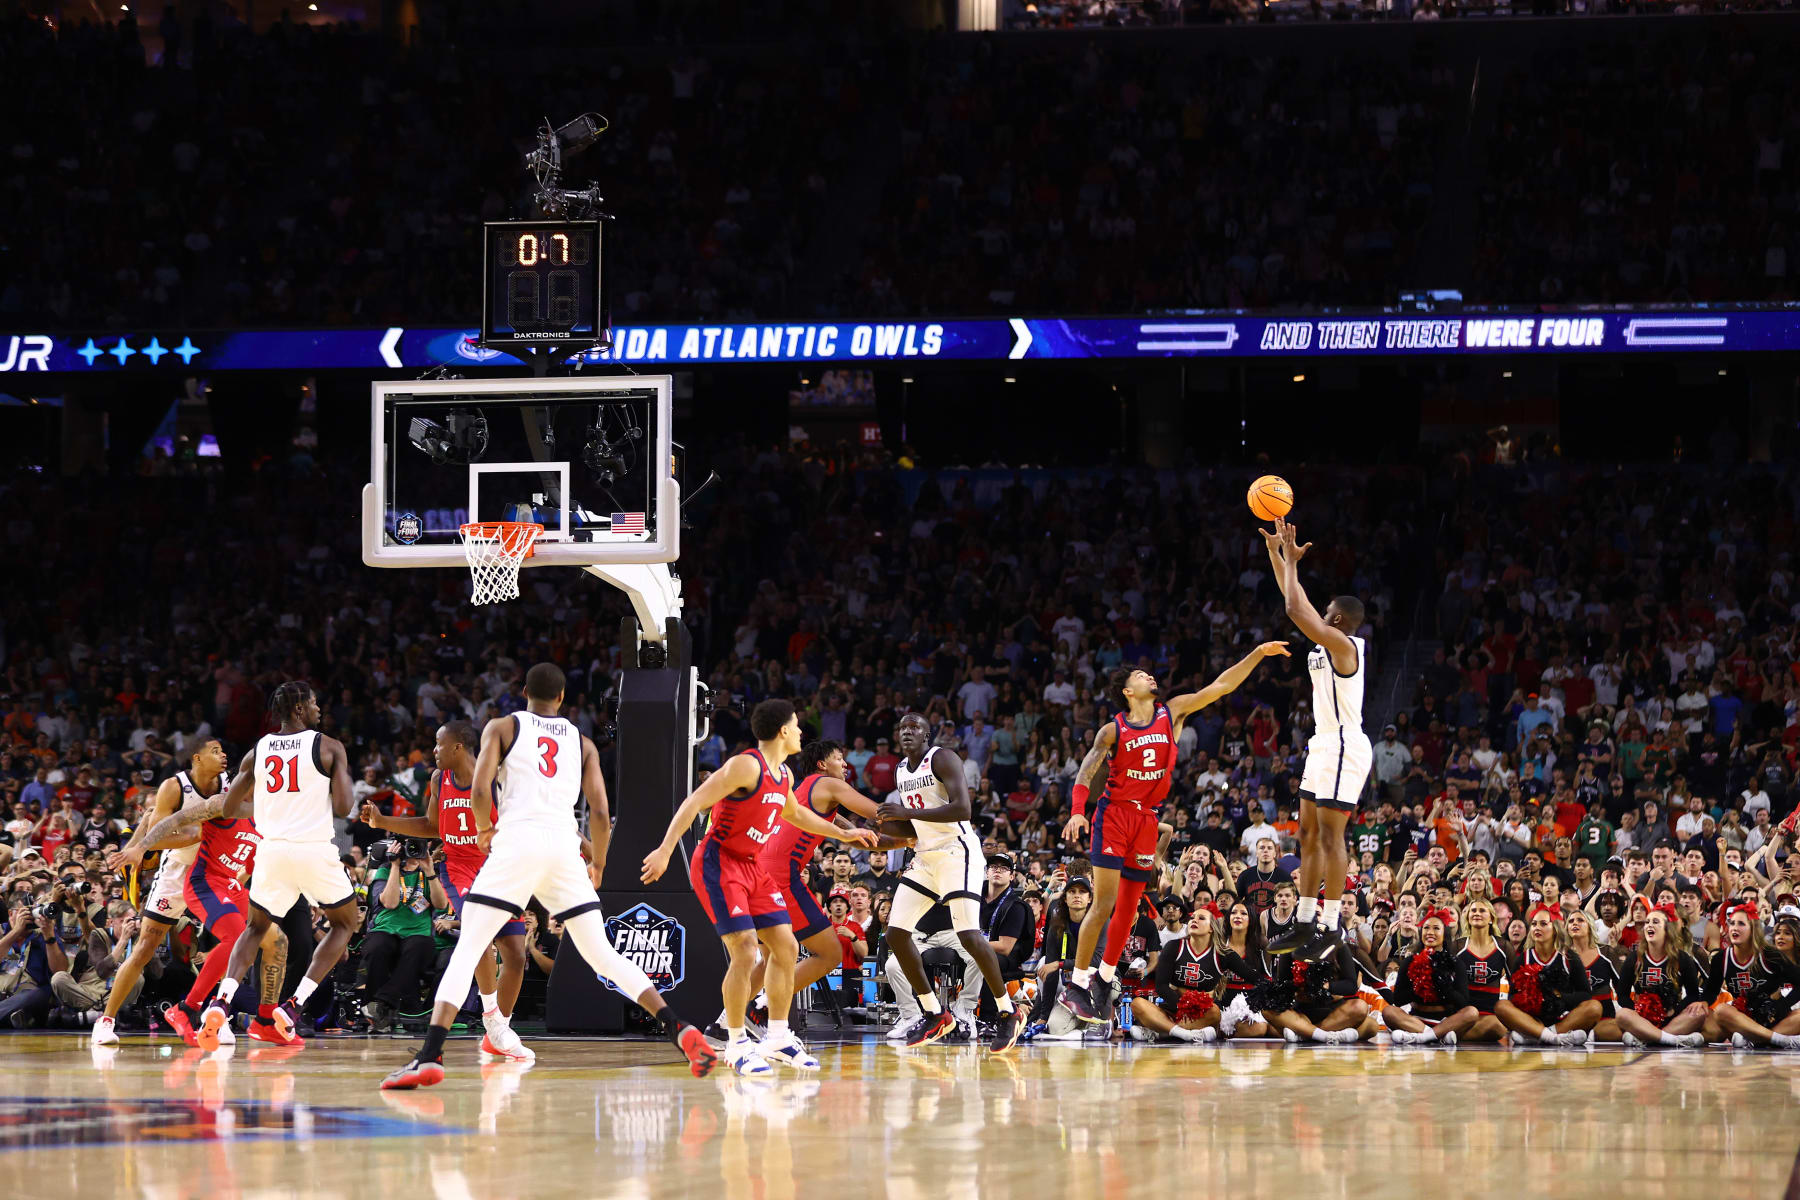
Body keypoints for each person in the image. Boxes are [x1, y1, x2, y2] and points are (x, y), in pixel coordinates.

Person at [389, 663, 717, 1089]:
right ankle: (678, 1027)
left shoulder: (502, 727)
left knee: (470, 946)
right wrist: (598, 862)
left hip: (518, 841)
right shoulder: (582, 744)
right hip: (564, 848)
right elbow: (599, 811)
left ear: (524, 692)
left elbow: (480, 787)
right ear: (563, 699)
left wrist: (485, 827)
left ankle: (430, 1056)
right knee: (603, 954)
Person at [642, 697, 877, 1075]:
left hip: (753, 867)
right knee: (747, 950)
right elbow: (694, 802)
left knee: (785, 946)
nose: (802, 731)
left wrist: (843, 834)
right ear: (784, 730)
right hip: (720, 863)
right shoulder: (744, 765)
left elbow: (797, 814)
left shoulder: (783, 775)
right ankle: (733, 1042)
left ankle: (778, 1038)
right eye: (798, 726)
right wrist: (666, 849)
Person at [1056, 642, 1288, 1024]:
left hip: (1148, 819)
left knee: (1130, 908)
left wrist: (1258, 654)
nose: (1150, 676)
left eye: (1149, 673)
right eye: (1140, 675)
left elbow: (1220, 687)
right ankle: (1077, 984)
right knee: (1105, 903)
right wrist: (1078, 812)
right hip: (1114, 815)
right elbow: (1085, 772)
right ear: (1128, 691)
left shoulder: (1172, 711)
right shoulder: (1113, 729)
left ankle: (1106, 979)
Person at [153, 683, 359, 1051]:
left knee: (256, 931)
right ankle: (293, 1007)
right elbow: (344, 807)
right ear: (298, 708)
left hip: (272, 853)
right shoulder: (329, 746)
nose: (318, 709)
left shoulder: (258, 749)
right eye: (313, 703)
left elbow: (229, 808)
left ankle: (222, 1002)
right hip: (312, 848)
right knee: (346, 923)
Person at [105, 736, 293, 1048]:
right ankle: (107, 1019)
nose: (222, 756)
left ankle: (218, 1015)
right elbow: (155, 823)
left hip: (219, 873)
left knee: (240, 940)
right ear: (197, 757)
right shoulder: (175, 787)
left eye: (223, 751)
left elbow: (248, 842)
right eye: (215, 751)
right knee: (145, 948)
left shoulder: (230, 788)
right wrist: (138, 847)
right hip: (181, 870)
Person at [361, 720, 532, 1061]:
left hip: (499, 868)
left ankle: (500, 1029)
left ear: (458, 747)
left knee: (515, 953)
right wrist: (382, 823)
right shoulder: (440, 780)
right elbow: (432, 827)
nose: (433, 751)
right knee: (480, 939)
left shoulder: (498, 778)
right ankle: (490, 1018)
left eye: (438, 744)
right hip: (458, 869)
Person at [876, 712, 1025, 1052]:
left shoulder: (941, 758)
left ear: (927, 734)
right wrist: (871, 830)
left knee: (969, 935)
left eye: (915, 727)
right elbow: (912, 829)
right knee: (896, 933)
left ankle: (1007, 1011)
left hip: (958, 852)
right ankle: (934, 1013)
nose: (907, 732)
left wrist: (907, 814)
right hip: (926, 856)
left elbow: (963, 808)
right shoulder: (900, 770)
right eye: (902, 728)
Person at [1261, 517, 1371, 960]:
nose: (1318, 615)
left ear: (1338, 619)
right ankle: (1305, 922)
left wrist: (1290, 561)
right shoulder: (1326, 640)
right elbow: (1297, 600)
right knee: (1306, 833)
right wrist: (1278, 556)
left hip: (1345, 744)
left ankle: (1329, 925)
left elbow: (1293, 608)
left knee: (1330, 837)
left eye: (1325, 613)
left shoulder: (1347, 646)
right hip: (1322, 743)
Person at [742, 739, 907, 1028]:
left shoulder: (809, 791)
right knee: (830, 953)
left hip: (759, 870)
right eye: (839, 758)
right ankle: (764, 1005)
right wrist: (929, 826)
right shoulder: (829, 784)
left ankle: (724, 1023)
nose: (845, 765)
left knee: (768, 959)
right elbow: (879, 814)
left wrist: (909, 841)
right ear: (822, 764)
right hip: (781, 872)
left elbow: (863, 839)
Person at [360, 839, 448, 1033]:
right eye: (409, 847)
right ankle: (378, 1012)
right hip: (386, 927)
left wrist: (430, 870)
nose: (413, 852)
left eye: (416, 847)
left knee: (419, 949)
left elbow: (441, 904)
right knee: (377, 948)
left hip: (418, 930)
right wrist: (394, 865)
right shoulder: (385, 870)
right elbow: (389, 903)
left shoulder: (429, 873)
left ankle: (379, 1004)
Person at [1494, 904, 1600, 1046]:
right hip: (1531, 1018)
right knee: (1501, 1006)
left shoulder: (1568, 957)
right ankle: (1555, 1038)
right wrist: (1527, 1000)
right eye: (1534, 924)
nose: (1537, 928)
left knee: (1594, 1007)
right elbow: (1512, 995)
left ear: (1555, 928)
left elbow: (1585, 994)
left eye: (1543, 924)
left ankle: (1539, 1035)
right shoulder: (1523, 958)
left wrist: (1558, 996)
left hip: (1562, 1017)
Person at [1699, 902, 1800, 1048]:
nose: (1734, 927)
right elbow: (1711, 990)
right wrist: (1702, 1002)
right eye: (1732, 923)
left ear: (1753, 929)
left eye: (1741, 924)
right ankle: (1776, 1040)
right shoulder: (1721, 958)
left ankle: (1753, 1040)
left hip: (1770, 1018)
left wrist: (1781, 1005)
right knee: (1721, 1011)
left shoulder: (1771, 955)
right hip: (1739, 1019)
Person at [1614, 903, 1708, 1048]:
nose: (1649, 925)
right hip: (1642, 1018)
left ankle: (1649, 1038)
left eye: (1655, 922)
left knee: (1700, 1013)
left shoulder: (1682, 958)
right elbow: (1622, 995)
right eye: (1647, 922)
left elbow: (1693, 994)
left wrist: (1673, 1012)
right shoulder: (1635, 958)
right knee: (1622, 1015)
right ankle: (1670, 1040)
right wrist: (1638, 1010)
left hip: (1672, 1018)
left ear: (1667, 929)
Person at [1129, 903, 1224, 1043]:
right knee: (1137, 1004)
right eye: (1192, 917)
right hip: (1171, 1010)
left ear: (1211, 928)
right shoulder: (1175, 947)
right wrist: (1181, 1004)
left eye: (1201, 918)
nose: (1195, 920)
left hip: (1198, 1014)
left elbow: (1211, 996)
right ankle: (1185, 1034)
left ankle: (1160, 1033)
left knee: (1215, 1012)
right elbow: (1162, 987)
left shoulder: (1220, 956)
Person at [1380, 908, 1477, 1045]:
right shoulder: (1409, 961)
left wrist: (1443, 987)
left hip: (1446, 1021)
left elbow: (1463, 1002)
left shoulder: (1455, 963)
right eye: (1426, 928)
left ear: (1445, 934)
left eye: (1436, 928)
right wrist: (1418, 986)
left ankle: (1422, 1038)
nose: (1430, 932)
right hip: (1416, 1020)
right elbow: (1398, 1000)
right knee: (1388, 1011)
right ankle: (1436, 1036)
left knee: (1472, 1012)